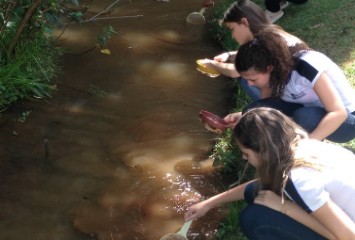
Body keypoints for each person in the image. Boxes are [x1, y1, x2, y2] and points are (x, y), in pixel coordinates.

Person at [185, 107, 355, 240]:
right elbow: (263, 183)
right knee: (259, 193)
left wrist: (285, 207)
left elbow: (348, 236)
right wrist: (209, 203)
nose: (244, 158)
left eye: (247, 153)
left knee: (254, 218)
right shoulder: (302, 146)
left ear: (263, 152)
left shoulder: (297, 178)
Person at [224, 29, 355, 143]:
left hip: (346, 122)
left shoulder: (306, 67)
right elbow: (266, 105)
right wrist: (244, 115)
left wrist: (307, 144)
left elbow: (339, 113)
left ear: (269, 68)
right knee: (252, 110)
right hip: (307, 106)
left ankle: (313, 150)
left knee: (304, 116)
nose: (250, 82)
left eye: (253, 78)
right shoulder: (276, 70)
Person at [198, 0, 305, 101]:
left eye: (232, 29)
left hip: (295, 95)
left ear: (244, 23)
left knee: (246, 76)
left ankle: (272, 108)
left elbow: (234, 71)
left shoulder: (263, 42)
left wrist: (212, 65)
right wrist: (229, 55)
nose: (232, 36)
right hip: (296, 87)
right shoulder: (272, 33)